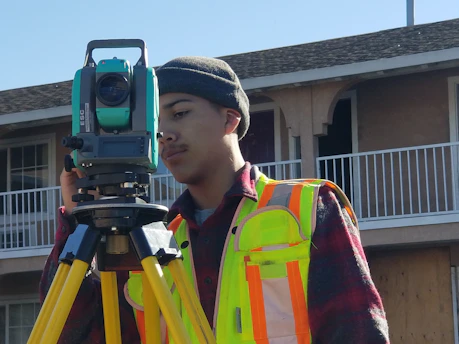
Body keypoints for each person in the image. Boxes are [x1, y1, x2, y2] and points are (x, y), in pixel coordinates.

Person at [39, 56, 390, 343]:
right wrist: (79, 220)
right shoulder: (153, 239)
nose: (166, 135)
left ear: (230, 118)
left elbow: (356, 331)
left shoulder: (308, 209)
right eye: (156, 123)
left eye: (180, 113)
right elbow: (77, 332)